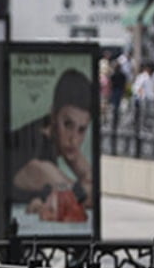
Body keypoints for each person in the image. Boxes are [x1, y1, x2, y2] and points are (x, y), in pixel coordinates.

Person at [8, 68, 94, 220]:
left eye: (81, 130)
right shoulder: (38, 157)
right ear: (53, 114)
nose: (74, 139)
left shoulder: (55, 135)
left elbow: (91, 182)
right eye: (68, 125)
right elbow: (86, 198)